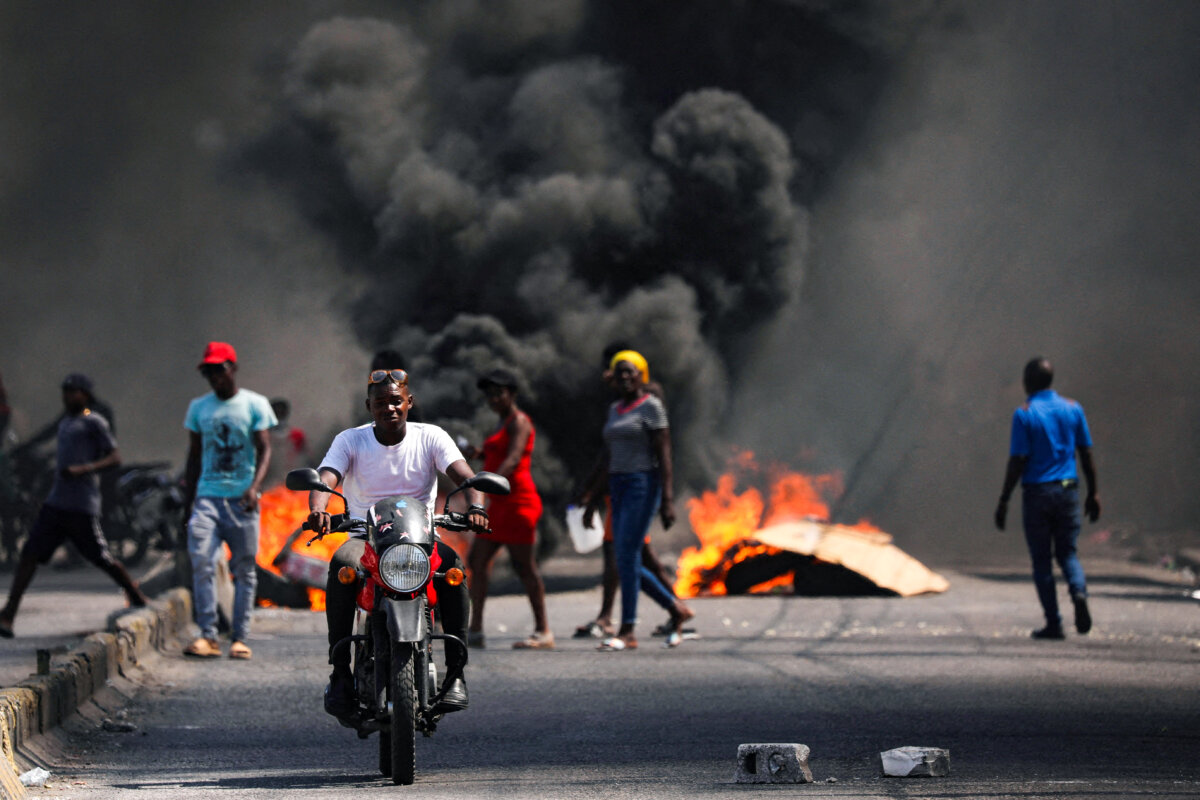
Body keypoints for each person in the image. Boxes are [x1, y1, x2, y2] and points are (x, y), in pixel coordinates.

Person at [309, 368, 488, 721]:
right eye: (380, 403)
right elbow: (325, 478)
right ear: (369, 407)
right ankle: (340, 673)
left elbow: (465, 476)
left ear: (409, 402)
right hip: (365, 541)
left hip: (421, 542)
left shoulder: (431, 437)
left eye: (396, 401)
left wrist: (477, 507)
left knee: (454, 569)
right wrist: (318, 509)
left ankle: (456, 674)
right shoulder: (350, 440)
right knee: (342, 566)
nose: (389, 408)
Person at [0, 373, 148, 637]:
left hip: (81, 505)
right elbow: (48, 434)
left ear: (85, 394)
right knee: (30, 555)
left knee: (102, 558)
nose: (68, 397)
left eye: (73, 392)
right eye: (65, 392)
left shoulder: (95, 421)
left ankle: (135, 595)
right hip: (56, 503)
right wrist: (26, 447)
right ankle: (8, 615)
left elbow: (114, 457)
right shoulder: (66, 421)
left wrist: (84, 469)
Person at [580, 350, 693, 651]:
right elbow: (609, 458)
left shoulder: (652, 407)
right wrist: (592, 500)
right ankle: (674, 608)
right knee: (625, 558)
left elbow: (664, 454)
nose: (625, 377)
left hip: (642, 484)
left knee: (627, 556)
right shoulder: (615, 409)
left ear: (642, 375)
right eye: (619, 372)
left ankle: (628, 630)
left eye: (630, 371)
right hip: (617, 486)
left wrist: (667, 499)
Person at [994, 357, 1100, 640]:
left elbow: (1018, 459)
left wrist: (1004, 499)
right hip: (1068, 489)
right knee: (1068, 553)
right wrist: (1093, 492)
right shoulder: (1073, 408)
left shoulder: (1024, 413)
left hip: (1037, 493)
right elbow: (1086, 453)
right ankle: (1078, 592)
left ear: (1027, 382)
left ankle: (1054, 623)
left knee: (1042, 561)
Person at [181, 342, 276, 660]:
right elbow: (194, 456)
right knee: (203, 563)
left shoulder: (254, 405)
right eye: (208, 371)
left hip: (242, 499)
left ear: (233, 368)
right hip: (207, 497)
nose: (214, 376)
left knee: (244, 570)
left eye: (219, 369)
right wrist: (187, 504)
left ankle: (240, 637)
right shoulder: (198, 408)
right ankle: (208, 635)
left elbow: (265, 449)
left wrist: (254, 487)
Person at [464, 368, 552, 650]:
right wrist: (479, 454)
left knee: (524, 567)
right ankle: (475, 629)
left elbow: (513, 458)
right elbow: (499, 453)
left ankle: (543, 631)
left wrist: (489, 482)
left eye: (499, 393)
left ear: (512, 394)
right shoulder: (502, 423)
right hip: (499, 504)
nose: (493, 399)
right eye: (489, 395)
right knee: (477, 560)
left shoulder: (519, 422)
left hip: (518, 503)